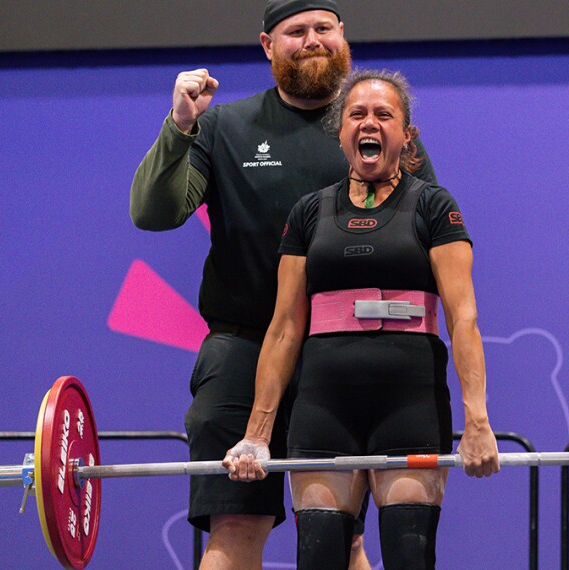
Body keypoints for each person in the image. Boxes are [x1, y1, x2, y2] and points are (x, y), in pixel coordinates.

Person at [130, 1, 437, 568]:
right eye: (297, 32)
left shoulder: (377, 132)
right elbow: (153, 213)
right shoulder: (222, 127)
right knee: (235, 523)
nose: (313, 40)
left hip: (340, 356)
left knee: (340, 532)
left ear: (343, 37)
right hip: (242, 350)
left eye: (324, 28)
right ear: (269, 46)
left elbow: (427, 244)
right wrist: (179, 127)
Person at [222, 69, 500, 569]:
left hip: (409, 403)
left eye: (383, 114)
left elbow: (464, 319)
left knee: (409, 558)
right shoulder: (309, 213)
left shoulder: (434, 207)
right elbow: (285, 328)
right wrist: (257, 435)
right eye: (357, 114)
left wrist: (476, 421)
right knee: (321, 558)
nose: (369, 122)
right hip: (324, 406)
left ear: (406, 136)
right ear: (342, 132)